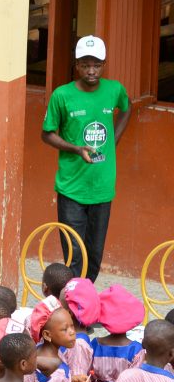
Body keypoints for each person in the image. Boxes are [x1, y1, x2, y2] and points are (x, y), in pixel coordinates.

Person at [42, 35, 131, 281]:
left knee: (94, 255)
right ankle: (72, 298)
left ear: (104, 64)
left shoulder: (114, 89)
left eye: (97, 65)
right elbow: (47, 134)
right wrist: (75, 148)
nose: (91, 71)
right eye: (85, 65)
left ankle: (85, 295)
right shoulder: (62, 95)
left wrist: (114, 139)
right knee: (74, 256)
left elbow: (127, 107)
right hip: (71, 188)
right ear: (77, 65)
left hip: (102, 187)